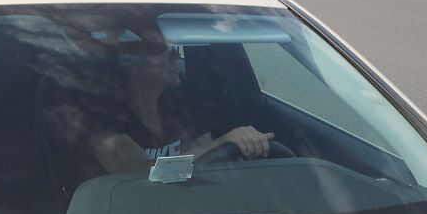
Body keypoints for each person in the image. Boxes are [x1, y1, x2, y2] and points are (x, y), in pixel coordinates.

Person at [41, 48, 276, 191]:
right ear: (129, 62)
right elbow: (141, 174)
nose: (175, 54)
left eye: (173, 46)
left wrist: (226, 147)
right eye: (161, 50)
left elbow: (204, 160)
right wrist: (221, 144)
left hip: (181, 213)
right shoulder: (99, 117)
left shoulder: (182, 103)